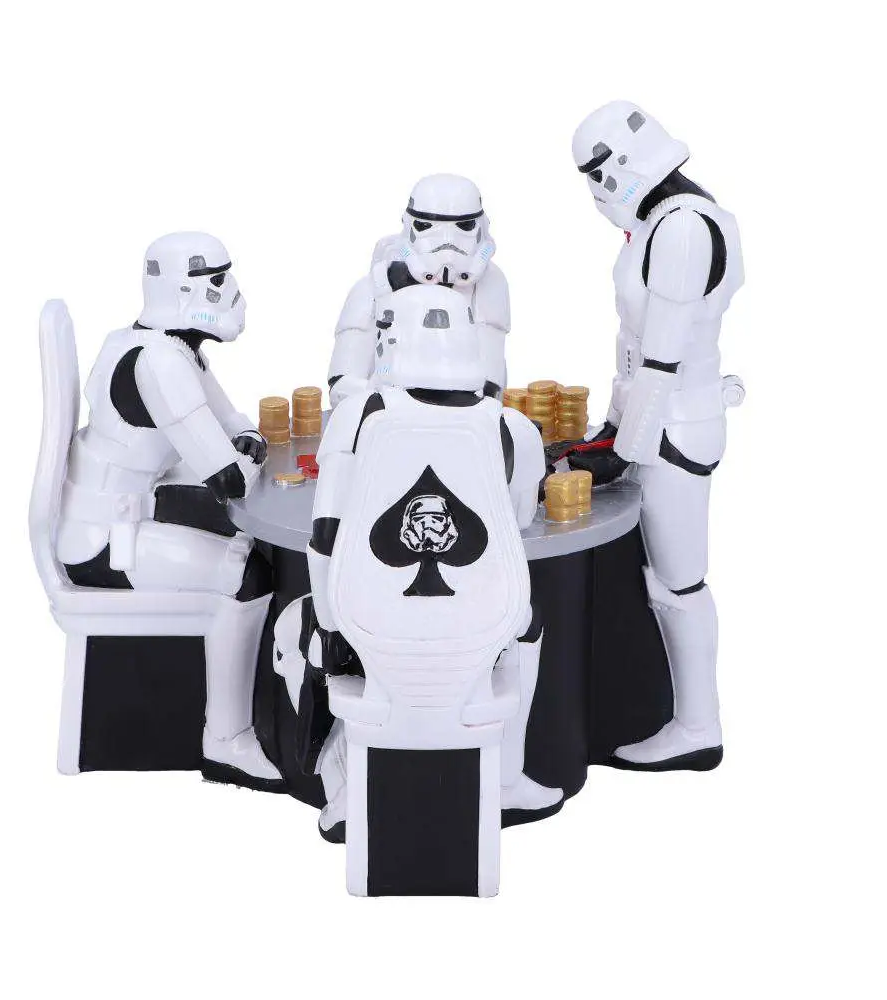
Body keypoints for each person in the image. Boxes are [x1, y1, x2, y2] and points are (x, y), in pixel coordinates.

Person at [283, 284, 561, 841]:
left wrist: (331, 628)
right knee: (528, 624)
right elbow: (516, 525)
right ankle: (506, 779)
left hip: (368, 630)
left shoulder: (356, 416)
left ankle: (343, 788)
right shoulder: (513, 428)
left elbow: (325, 538)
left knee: (295, 627)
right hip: (483, 630)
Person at [56, 231, 282, 787]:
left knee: (249, 541)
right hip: (106, 541)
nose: (231, 292)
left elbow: (238, 429)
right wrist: (244, 456)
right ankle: (226, 739)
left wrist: (243, 450)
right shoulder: (160, 362)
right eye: (217, 281)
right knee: (247, 575)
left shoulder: (169, 347)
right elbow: (230, 477)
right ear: (185, 291)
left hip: (131, 514)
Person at [569, 101, 745, 770]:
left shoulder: (683, 228)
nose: (596, 188)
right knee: (659, 580)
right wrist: (611, 433)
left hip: (676, 426)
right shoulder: (665, 221)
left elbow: (662, 360)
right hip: (658, 421)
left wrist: (621, 447)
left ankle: (698, 727)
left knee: (679, 583)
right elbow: (639, 353)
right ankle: (675, 714)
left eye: (597, 172)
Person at [327, 174, 510, 406]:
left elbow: (491, 386)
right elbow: (342, 386)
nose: (447, 242)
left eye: (464, 226)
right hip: (388, 413)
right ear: (409, 226)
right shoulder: (376, 288)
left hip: (466, 418)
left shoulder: (489, 285)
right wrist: (381, 394)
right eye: (426, 227)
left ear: (481, 227)